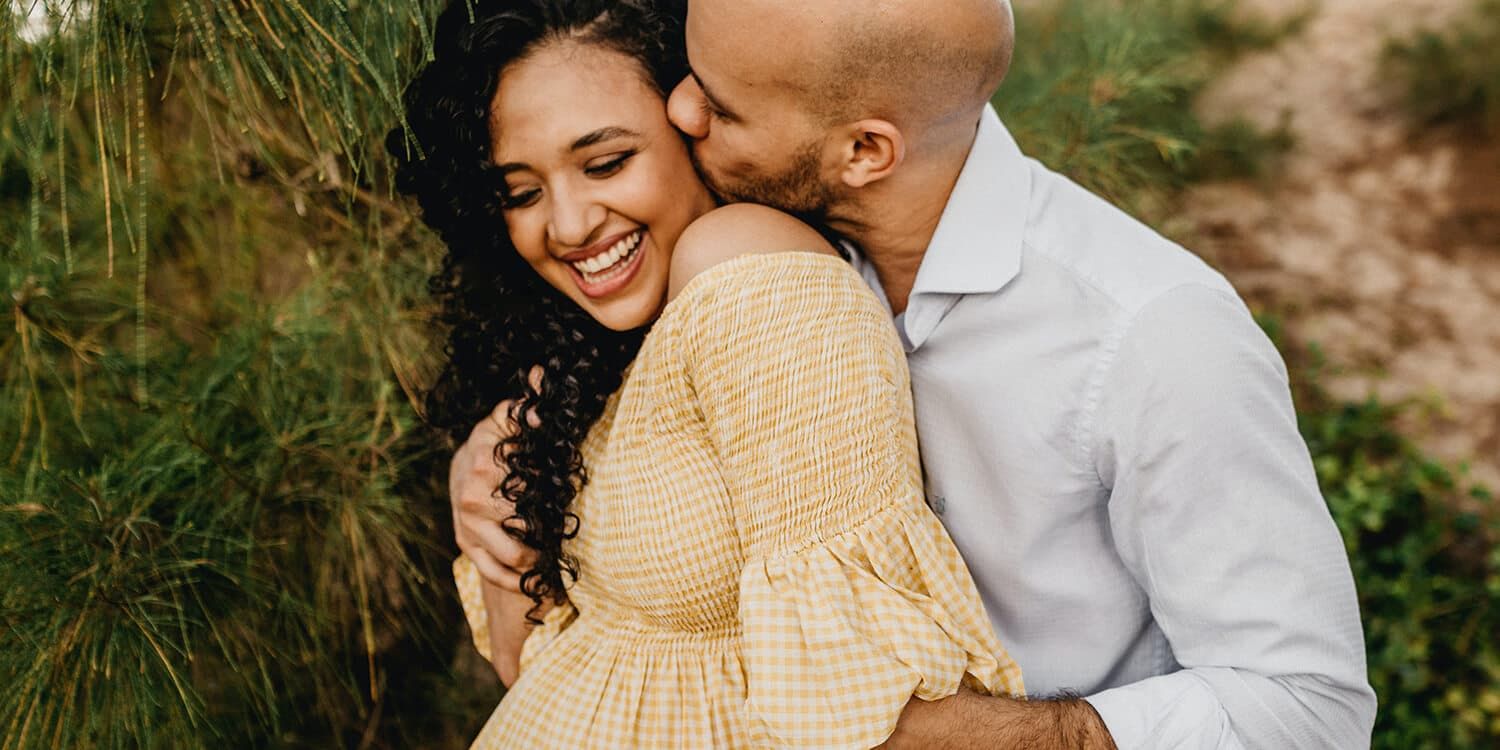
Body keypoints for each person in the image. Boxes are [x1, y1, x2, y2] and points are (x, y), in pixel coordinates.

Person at [449, 0, 1379, 748]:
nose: (681, 111)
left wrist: (973, 737)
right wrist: (503, 477)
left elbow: (1307, 710)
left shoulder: (1149, 334)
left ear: (865, 152)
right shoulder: (741, 252)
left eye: (721, 104)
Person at [392, 0, 1026, 747]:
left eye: (606, 163)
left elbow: (865, 708)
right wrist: (499, 478)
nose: (565, 226)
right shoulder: (589, 353)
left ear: (694, 125)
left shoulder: (748, 269)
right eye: (522, 193)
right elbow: (536, 667)